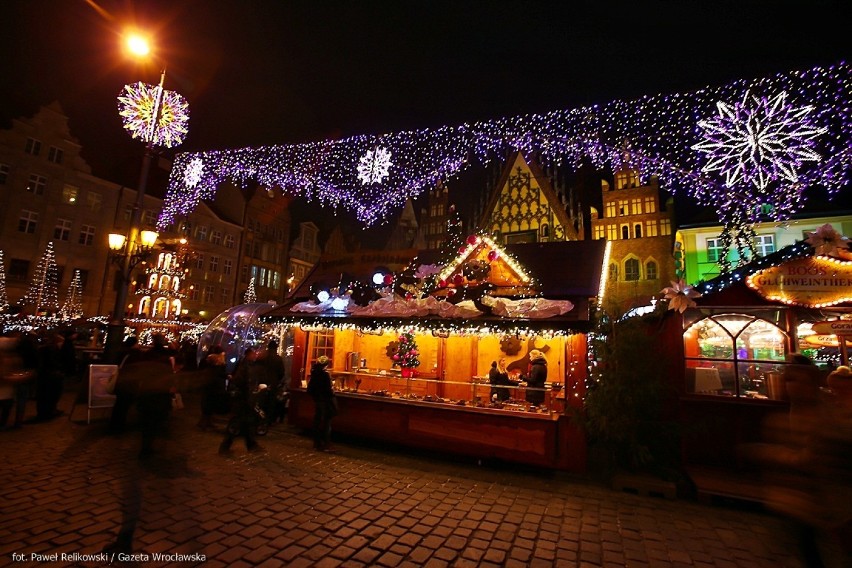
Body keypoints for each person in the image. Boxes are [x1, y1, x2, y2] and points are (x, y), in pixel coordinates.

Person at [219, 349, 263, 454]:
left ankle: (251, 444)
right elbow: (241, 382)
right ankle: (226, 446)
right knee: (237, 423)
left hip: (245, 399)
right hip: (242, 400)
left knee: (247, 423)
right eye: (253, 354)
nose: (255, 356)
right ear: (249, 355)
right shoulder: (244, 366)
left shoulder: (248, 365)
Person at [307, 355, 337, 452]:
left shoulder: (314, 373)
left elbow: (310, 389)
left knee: (317, 421)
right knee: (326, 423)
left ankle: (317, 443)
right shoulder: (325, 375)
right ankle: (325, 444)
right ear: (326, 365)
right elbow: (329, 390)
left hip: (317, 400)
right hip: (325, 401)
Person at [198, 346, 229, 430]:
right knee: (208, 405)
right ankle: (203, 423)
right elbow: (218, 374)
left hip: (211, 386)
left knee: (208, 405)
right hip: (212, 387)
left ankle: (206, 422)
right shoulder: (216, 364)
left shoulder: (210, 363)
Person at [264, 340, 286, 424]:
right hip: (274, 382)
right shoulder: (278, 359)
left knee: (263, 400)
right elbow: (281, 372)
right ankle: (270, 419)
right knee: (271, 401)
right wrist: (278, 380)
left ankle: (262, 418)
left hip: (263, 382)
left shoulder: (264, 358)